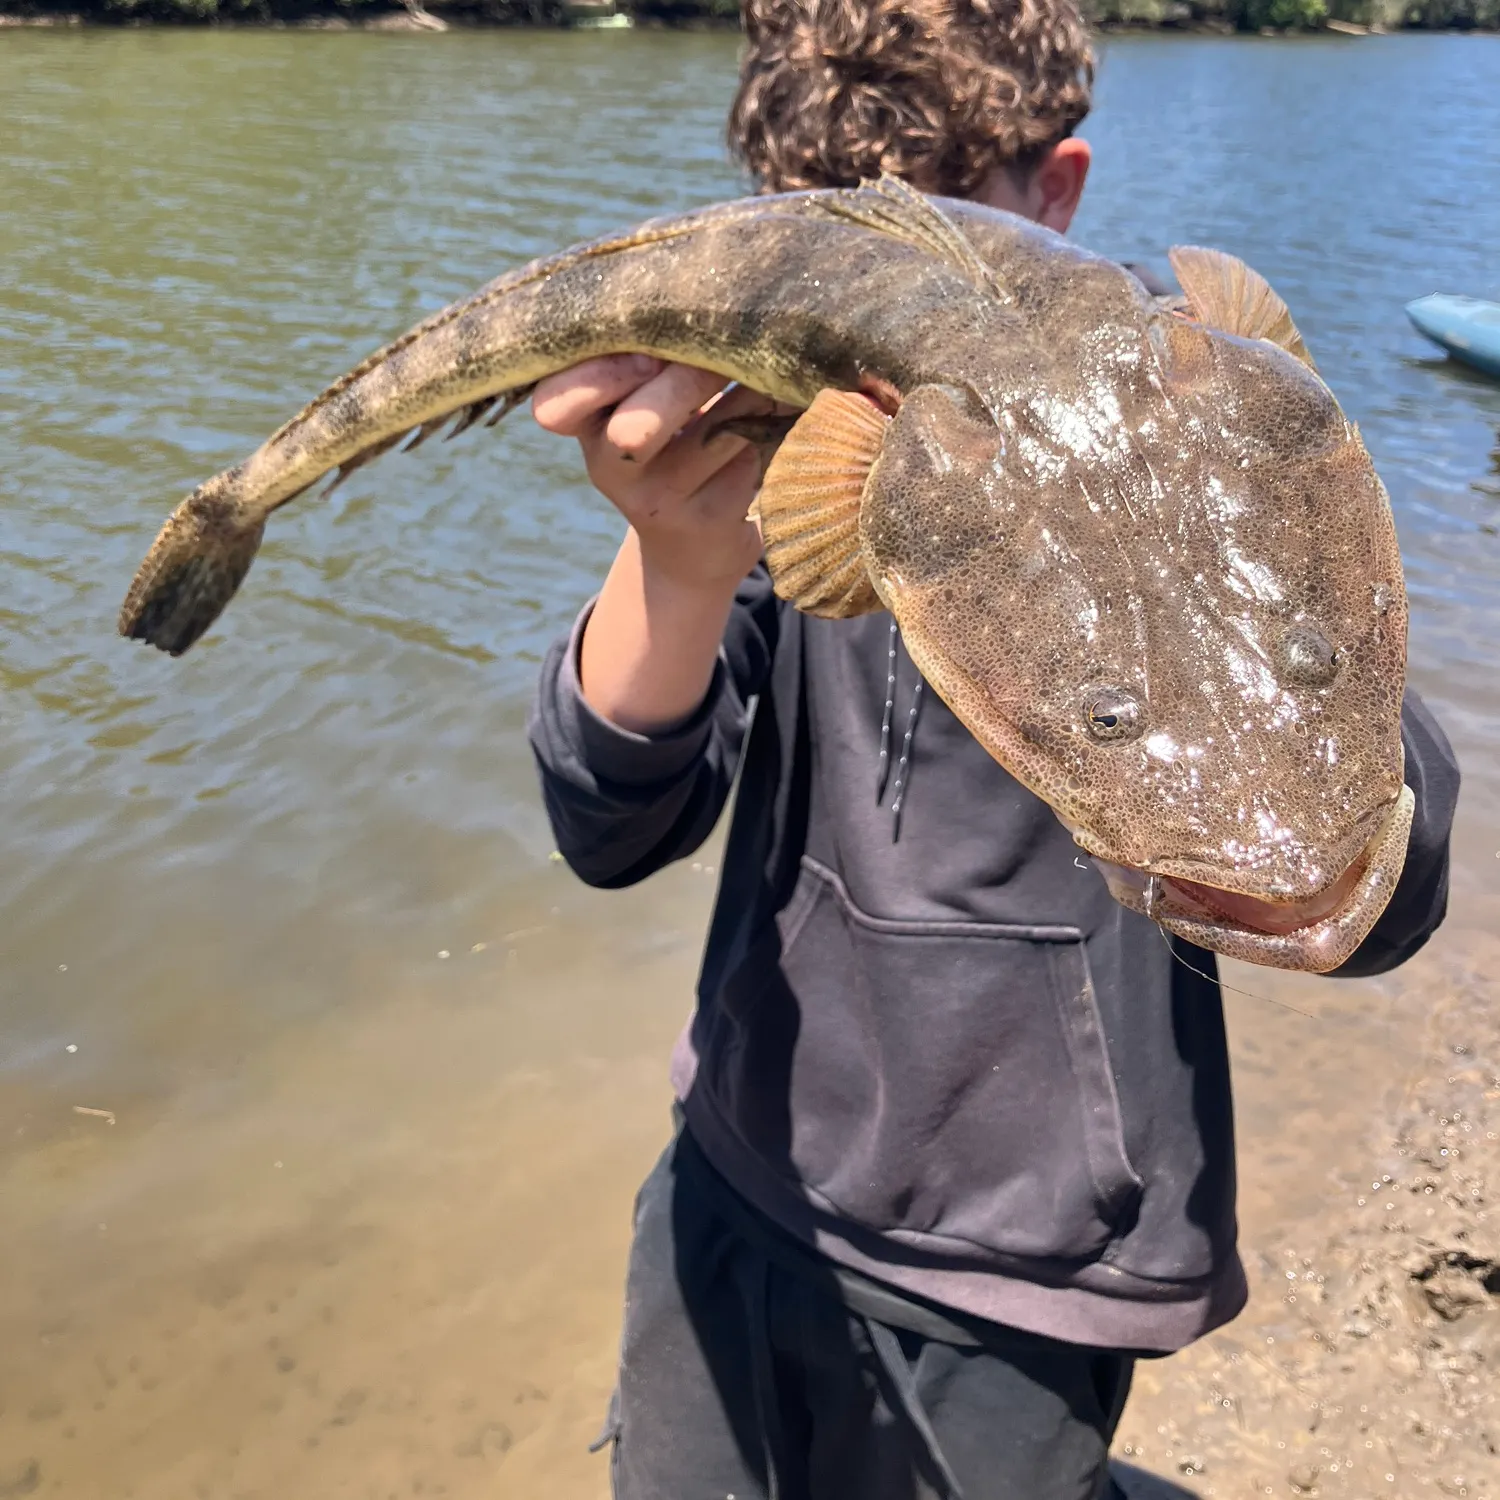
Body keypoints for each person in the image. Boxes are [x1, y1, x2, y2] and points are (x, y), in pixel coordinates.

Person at [525, 2, 1461, 1496]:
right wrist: (681, 562)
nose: (890, 300)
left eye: (947, 216)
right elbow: (613, 825)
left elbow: (1382, 876)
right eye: (830, 251)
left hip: (1036, 1251)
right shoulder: (785, 443)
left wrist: (1321, 844)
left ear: (1058, 185)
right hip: (743, 1164)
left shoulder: (1201, 435)